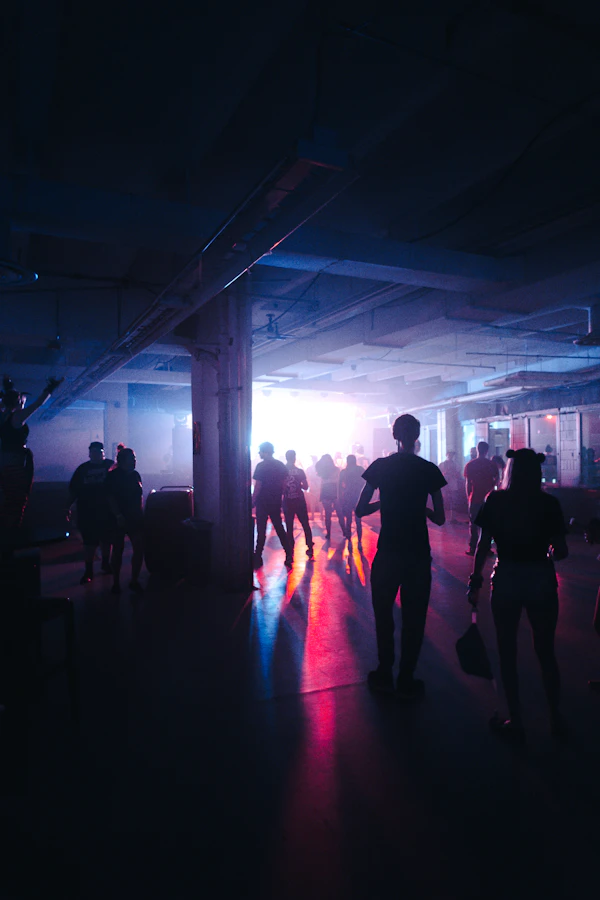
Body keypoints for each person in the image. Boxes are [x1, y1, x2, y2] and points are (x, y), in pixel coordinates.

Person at [467, 449, 568, 741]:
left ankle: (516, 720)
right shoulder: (549, 504)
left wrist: (475, 580)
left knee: (507, 650)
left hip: (507, 577)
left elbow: (483, 545)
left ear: (510, 471)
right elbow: (561, 551)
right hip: (540, 578)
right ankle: (555, 718)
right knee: (545, 651)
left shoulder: (496, 500)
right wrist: (550, 551)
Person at [356, 414, 446, 699]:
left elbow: (360, 509)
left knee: (384, 614)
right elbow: (441, 518)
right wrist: (422, 509)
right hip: (417, 554)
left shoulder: (380, 467)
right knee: (414, 618)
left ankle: (384, 672)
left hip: (388, 552)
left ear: (394, 436)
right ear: (416, 437)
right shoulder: (428, 470)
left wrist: (384, 502)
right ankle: (407, 677)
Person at [0, 374, 64, 551]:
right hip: (15, 465)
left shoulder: (3, 416)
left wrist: (8, 387)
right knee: (17, 501)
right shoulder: (16, 417)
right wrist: (50, 388)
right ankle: (10, 539)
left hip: (6, 463)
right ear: (18, 401)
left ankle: (8, 538)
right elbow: (38, 404)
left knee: (11, 501)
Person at [69, 441, 114, 584]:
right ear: (90, 454)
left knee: (106, 540)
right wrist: (67, 506)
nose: (95, 454)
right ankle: (91, 569)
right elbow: (74, 490)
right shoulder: (85, 469)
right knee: (90, 542)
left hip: (104, 511)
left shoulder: (107, 466)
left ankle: (100, 566)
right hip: (89, 512)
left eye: (98, 452)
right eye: (94, 452)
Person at [106, 444, 144, 595]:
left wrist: (141, 513)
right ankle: (116, 582)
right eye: (132, 458)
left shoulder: (135, 475)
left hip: (134, 517)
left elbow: (139, 497)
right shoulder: (113, 476)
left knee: (138, 548)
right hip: (119, 518)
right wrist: (118, 515)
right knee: (117, 550)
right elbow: (110, 497)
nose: (134, 461)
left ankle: (133, 581)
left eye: (135, 458)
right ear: (123, 460)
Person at [252, 441, 292, 570]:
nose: (259, 453)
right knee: (279, 527)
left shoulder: (261, 466)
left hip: (262, 501)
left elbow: (258, 486)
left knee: (261, 530)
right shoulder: (280, 465)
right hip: (275, 500)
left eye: (260, 451)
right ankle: (289, 554)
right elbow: (284, 483)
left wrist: (253, 500)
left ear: (265, 452)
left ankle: (258, 556)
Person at [464, 440, 499, 555]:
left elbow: (468, 483)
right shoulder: (491, 465)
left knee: (473, 524)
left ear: (477, 450)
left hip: (474, 497)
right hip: (488, 499)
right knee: (487, 524)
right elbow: (497, 479)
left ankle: (473, 547)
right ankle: (486, 547)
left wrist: (468, 497)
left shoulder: (470, 465)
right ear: (487, 451)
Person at [283, 450, 314, 561]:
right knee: (305, 524)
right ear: (294, 458)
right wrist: (298, 485)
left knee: (289, 526)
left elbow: (281, 487)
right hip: (299, 500)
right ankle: (310, 546)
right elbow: (306, 487)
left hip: (287, 501)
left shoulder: (282, 471)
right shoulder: (300, 471)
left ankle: (290, 550)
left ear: (286, 458)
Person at [339, 454, 365, 545]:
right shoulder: (360, 469)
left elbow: (339, 486)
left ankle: (349, 539)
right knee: (358, 520)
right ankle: (359, 540)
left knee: (348, 520)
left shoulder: (344, 472)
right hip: (358, 496)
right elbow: (365, 482)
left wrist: (340, 496)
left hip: (347, 496)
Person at [315, 454, 342, 540]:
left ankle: (328, 533)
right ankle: (345, 531)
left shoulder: (322, 471)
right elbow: (339, 481)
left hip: (325, 491)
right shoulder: (336, 469)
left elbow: (317, 466)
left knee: (327, 514)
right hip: (334, 491)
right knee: (339, 513)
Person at [439, 450, 461, 524]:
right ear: (446, 455)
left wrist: (452, 474)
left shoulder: (456, 465)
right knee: (443, 501)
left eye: (452, 454)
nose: (450, 456)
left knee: (453, 501)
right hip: (444, 485)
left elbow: (458, 474)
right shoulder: (442, 464)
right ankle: (442, 517)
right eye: (449, 454)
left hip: (453, 485)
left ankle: (452, 518)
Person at [305, 455, 320, 520]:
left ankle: (313, 516)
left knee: (312, 502)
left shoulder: (309, 468)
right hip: (319, 486)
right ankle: (321, 516)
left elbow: (307, 477)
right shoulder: (320, 468)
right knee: (320, 502)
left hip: (312, 486)